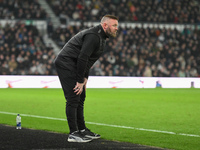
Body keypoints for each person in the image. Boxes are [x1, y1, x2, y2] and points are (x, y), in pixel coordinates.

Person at [54, 14, 119, 142]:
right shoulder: (94, 36)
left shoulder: (101, 37)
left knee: (81, 96)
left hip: (75, 65)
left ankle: (82, 130)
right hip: (66, 63)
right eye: (114, 25)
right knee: (73, 97)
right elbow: (82, 57)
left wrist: (84, 78)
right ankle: (73, 133)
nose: (117, 28)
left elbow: (88, 61)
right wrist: (79, 80)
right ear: (105, 25)